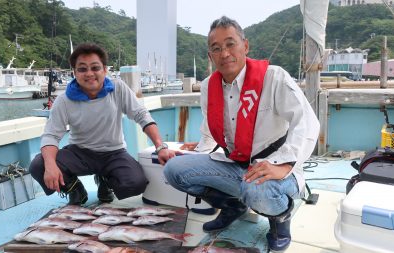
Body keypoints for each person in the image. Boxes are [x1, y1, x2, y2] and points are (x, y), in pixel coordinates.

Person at [163, 16, 319, 252]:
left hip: (276, 168)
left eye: (230, 44)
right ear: (210, 56)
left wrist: (283, 165)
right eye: (216, 48)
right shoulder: (208, 86)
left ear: (245, 46)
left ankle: (280, 219)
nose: (224, 53)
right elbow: (210, 129)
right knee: (174, 170)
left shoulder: (273, 77)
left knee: (255, 189)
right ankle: (232, 206)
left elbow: (307, 123)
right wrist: (199, 151)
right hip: (235, 163)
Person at [30, 43, 176, 206]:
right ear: (74, 73)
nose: (89, 74)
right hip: (80, 152)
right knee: (38, 166)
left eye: (95, 68)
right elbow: (51, 135)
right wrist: (50, 165)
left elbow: (141, 114)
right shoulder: (64, 100)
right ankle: (74, 188)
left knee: (136, 183)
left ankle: (105, 181)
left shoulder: (118, 88)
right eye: (82, 69)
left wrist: (160, 146)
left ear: (105, 70)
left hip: (114, 152)